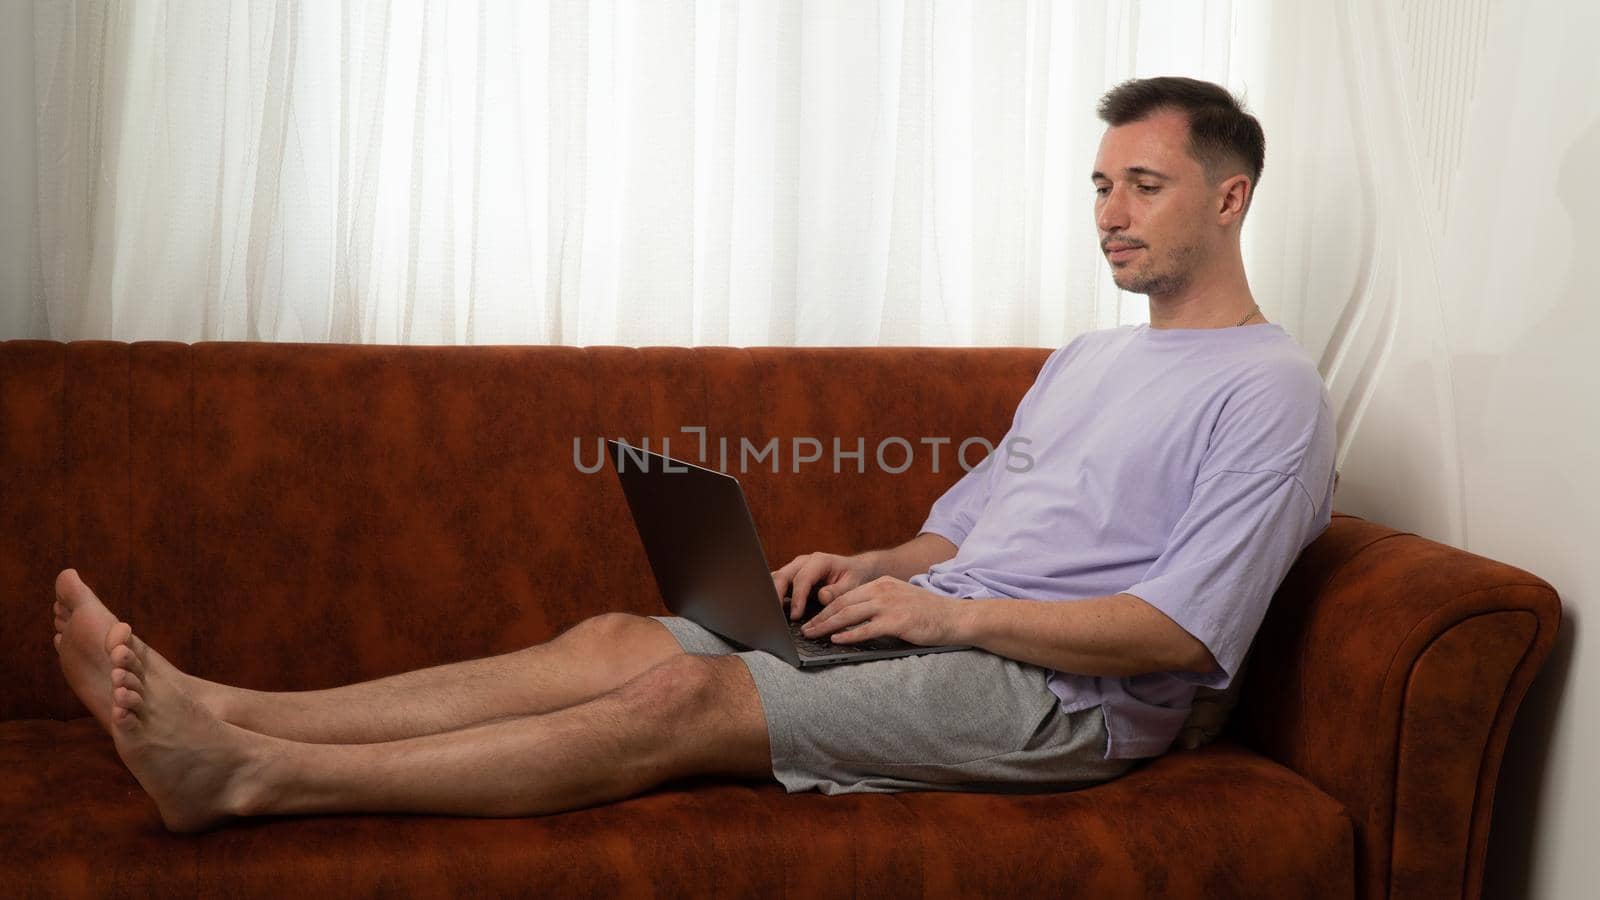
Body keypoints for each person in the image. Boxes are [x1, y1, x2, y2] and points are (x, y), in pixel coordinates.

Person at [49, 75, 1336, 834]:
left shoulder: (1270, 391)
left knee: (680, 699)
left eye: (1144, 187)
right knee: (619, 638)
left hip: (1063, 702)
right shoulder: (1090, 358)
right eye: (1099, 187)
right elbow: (971, 524)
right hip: (951, 625)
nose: (1109, 216)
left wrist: (951, 626)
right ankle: (229, 707)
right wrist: (871, 564)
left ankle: (250, 780)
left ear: (1228, 198)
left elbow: (1180, 632)